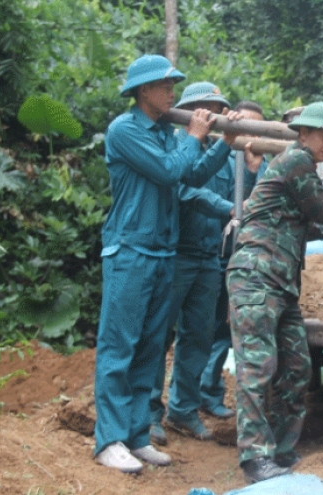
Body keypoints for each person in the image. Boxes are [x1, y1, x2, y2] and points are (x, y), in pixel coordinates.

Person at [94, 55, 240, 473]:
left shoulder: (163, 131)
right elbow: (167, 170)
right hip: (130, 250)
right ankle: (110, 439)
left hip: (162, 251)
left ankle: (138, 435)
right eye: (165, 85)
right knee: (119, 347)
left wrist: (224, 143)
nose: (173, 92)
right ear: (143, 91)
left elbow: (190, 175)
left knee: (148, 348)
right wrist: (194, 134)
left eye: (174, 83)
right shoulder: (125, 130)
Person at [228, 102, 323, 484]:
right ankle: (255, 458)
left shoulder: (296, 170)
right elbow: (321, 208)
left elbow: (299, 220)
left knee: (297, 366)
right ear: (303, 133)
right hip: (257, 274)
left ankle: (281, 451)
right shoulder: (296, 161)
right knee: (257, 367)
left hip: (284, 282)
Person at [148, 86, 259, 446]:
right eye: (204, 109)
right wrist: (224, 206)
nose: (210, 116)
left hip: (210, 257)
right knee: (159, 334)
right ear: (188, 112)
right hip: (176, 253)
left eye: (217, 110)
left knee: (199, 335)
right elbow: (184, 189)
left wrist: (249, 163)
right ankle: (149, 412)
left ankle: (183, 409)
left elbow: (241, 201)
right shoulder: (174, 146)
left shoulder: (226, 157)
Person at [195, 100, 269, 425]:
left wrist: (253, 170)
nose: (248, 135)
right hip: (217, 252)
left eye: (256, 129)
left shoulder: (263, 162)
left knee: (230, 330)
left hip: (248, 259)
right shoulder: (219, 156)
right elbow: (227, 204)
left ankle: (210, 394)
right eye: (244, 126)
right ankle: (199, 394)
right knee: (209, 329)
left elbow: (258, 204)